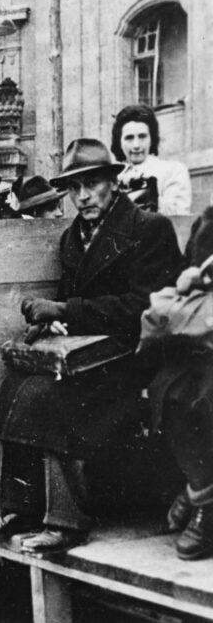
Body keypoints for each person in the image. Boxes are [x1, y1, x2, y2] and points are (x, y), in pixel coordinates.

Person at [0, 139, 183, 554]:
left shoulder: (148, 228)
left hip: (137, 355)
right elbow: (71, 301)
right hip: (92, 352)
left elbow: (146, 307)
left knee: (56, 395)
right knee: (19, 386)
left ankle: (66, 521)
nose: (82, 196)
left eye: (92, 184)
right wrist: (48, 319)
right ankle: (20, 508)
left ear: (113, 181)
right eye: (74, 188)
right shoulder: (74, 236)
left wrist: (68, 307)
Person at [144, 206, 213, 560]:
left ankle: (202, 501)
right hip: (207, 343)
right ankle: (201, 490)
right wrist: (193, 277)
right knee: (172, 391)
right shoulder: (209, 220)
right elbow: (188, 270)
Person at [110, 104, 191, 216]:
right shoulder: (112, 177)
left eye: (142, 136)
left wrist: (154, 199)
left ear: (152, 138)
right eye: (129, 138)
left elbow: (179, 215)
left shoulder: (173, 171)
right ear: (119, 142)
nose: (136, 145)